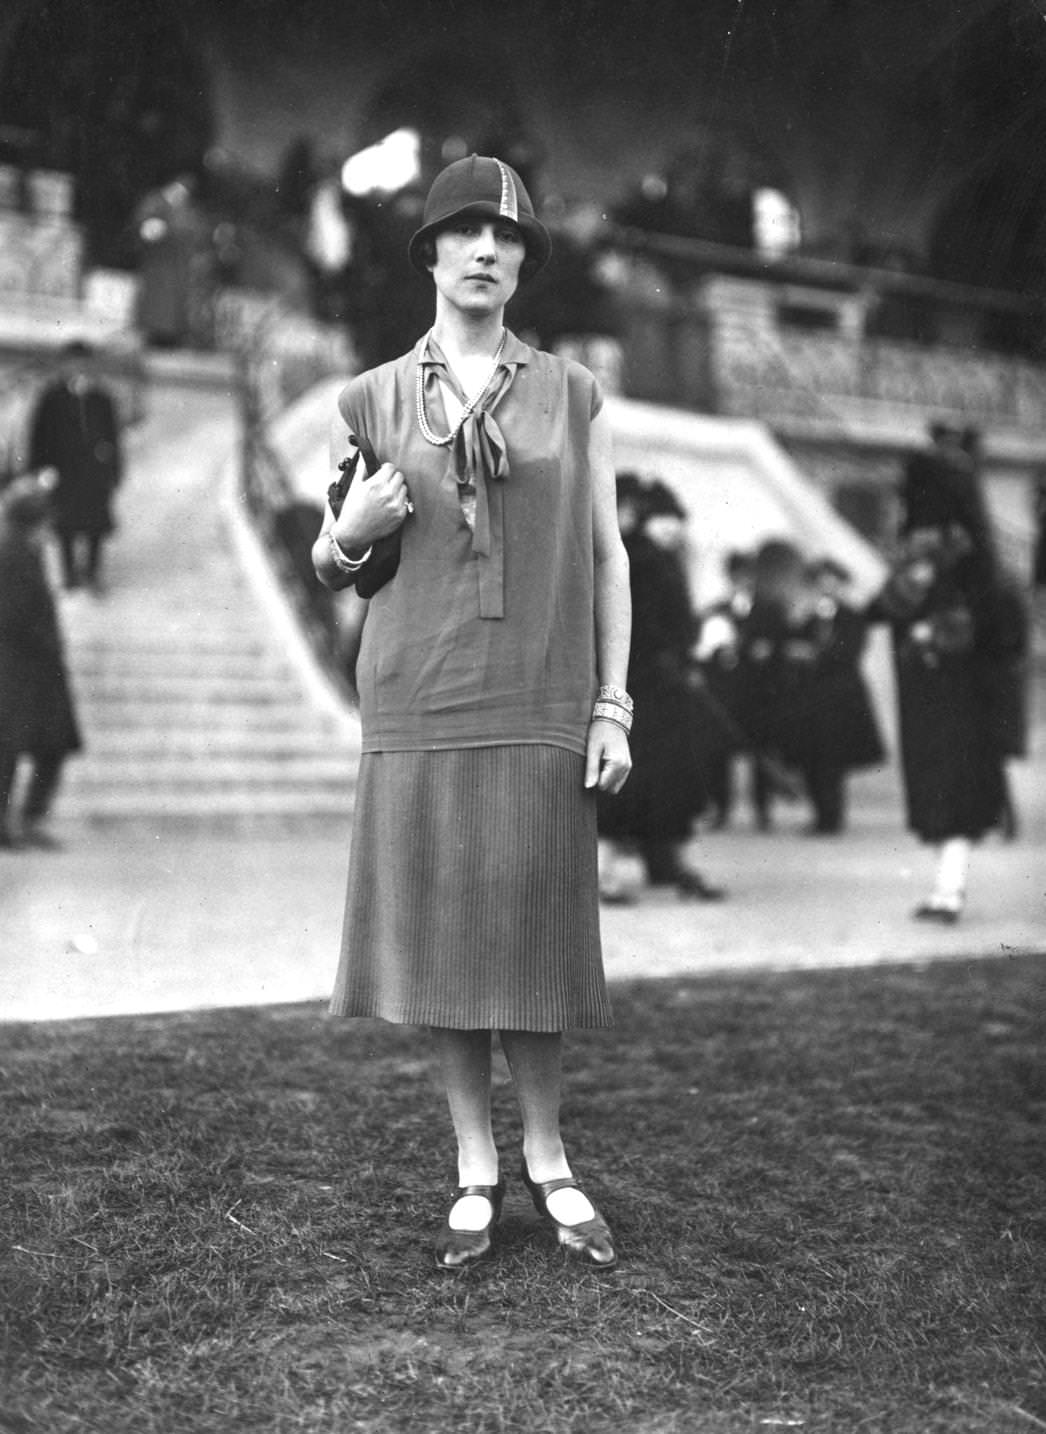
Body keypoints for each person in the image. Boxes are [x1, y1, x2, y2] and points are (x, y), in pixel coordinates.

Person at [311, 155, 632, 1269]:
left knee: (533, 932)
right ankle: (473, 1164)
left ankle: (548, 1154)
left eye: (507, 239)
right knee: (447, 937)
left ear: (524, 264)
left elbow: (606, 556)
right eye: (465, 234)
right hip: (418, 693)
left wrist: (612, 704)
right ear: (432, 254)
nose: (487, 251)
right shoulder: (370, 399)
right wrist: (351, 528)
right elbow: (331, 560)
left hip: (541, 692)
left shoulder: (574, 394)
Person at [867, 419, 1018, 921]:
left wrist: (933, 630)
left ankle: (949, 891)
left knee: (952, 793)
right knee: (938, 791)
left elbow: (991, 628)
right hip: (930, 692)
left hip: (956, 693)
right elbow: (881, 610)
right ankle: (943, 889)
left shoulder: (965, 562)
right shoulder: (950, 557)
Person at [597, 474, 726, 902]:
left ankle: (667, 864)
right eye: (664, 519)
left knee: (664, 781)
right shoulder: (641, 559)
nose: (673, 528)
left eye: (676, 520)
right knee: (637, 782)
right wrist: (675, 653)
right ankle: (612, 871)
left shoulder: (657, 558)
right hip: (644, 687)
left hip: (661, 688)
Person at [0, 471, 83, 849]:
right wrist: (47, 644)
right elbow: (15, 614)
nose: (48, 530)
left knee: (46, 746)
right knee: (13, 748)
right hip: (20, 668)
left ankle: (26, 820)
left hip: (35, 669)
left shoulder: (21, 550)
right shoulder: (11, 554)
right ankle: (17, 823)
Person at [27, 340, 123, 593]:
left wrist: (115, 470)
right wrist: (40, 468)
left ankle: (92, 572)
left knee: (96, 523)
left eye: (84, 364)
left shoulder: (102, 398)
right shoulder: (51, 397)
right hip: (64, 470)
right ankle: (69, 572)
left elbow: (113, 437)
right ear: (64, 366)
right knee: (64, 523)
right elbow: (39, 435)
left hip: (94, 471)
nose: (79, 369)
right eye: (73, 363)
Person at [799, 557, 886, 834]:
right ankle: (820, 814)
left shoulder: (851, 617)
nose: (827, 587)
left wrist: (816, 655)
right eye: (821, 582)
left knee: (832, 761)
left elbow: (849, 652)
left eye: (832, 581)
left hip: (840, 697)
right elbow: (794, 643)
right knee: (812, 759)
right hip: (812, 698)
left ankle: (831, 816)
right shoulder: (809, 617)